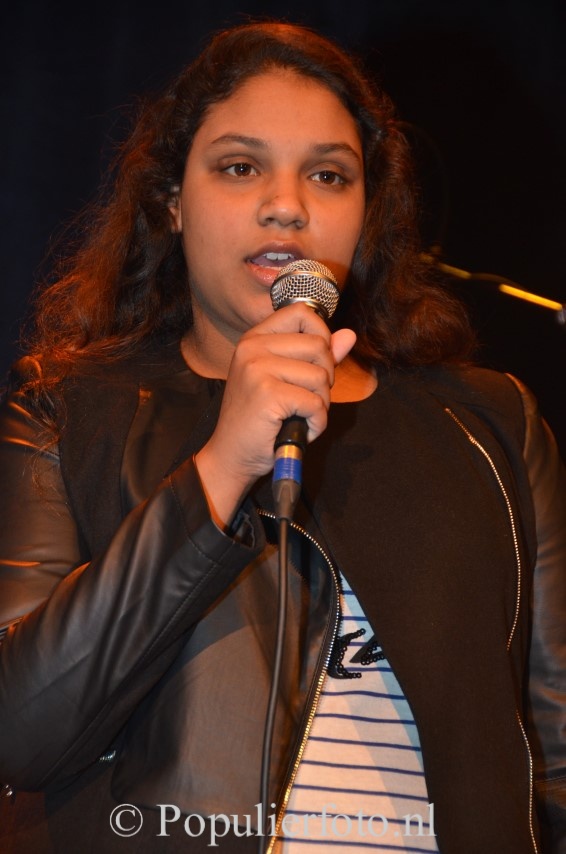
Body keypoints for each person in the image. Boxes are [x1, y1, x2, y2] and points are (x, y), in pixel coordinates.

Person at [0, 20, 564, 854]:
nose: (287, 205)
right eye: (240, 166)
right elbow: (18, 732)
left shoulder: (491, 424)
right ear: (172, 200)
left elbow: (554, 750)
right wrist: (222, 465)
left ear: (367, 210)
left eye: (328, 175)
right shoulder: (68, 413)